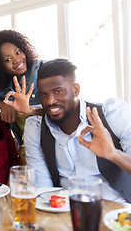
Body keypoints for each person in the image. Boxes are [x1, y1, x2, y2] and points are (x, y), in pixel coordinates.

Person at [23, 58, 131, 202]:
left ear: (76, 90)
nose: (50, 101)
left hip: (118, 214)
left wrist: (114, 154)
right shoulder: (35, 128)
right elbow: (43, 186)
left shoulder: (111, 114)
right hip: (66, 212)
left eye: (58, 91)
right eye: (44, 94)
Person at [0, 30, 43, 146]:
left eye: (18, 52)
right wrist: (1, 104)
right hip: (26, 148)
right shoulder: (1, 88)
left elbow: (59, 108)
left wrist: (28, 110)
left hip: (51, 143)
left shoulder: (42, 70)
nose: (17, 60)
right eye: (8, 59)